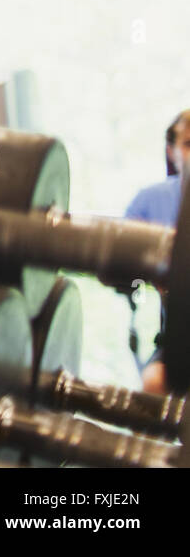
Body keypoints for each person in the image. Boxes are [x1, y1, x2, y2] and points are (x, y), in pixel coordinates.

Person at [125, 109, 190, 394]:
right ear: (172, 150)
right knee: (153, 384)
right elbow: (118, 268)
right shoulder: (149, 201)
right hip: (179, 341)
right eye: (188, 144)